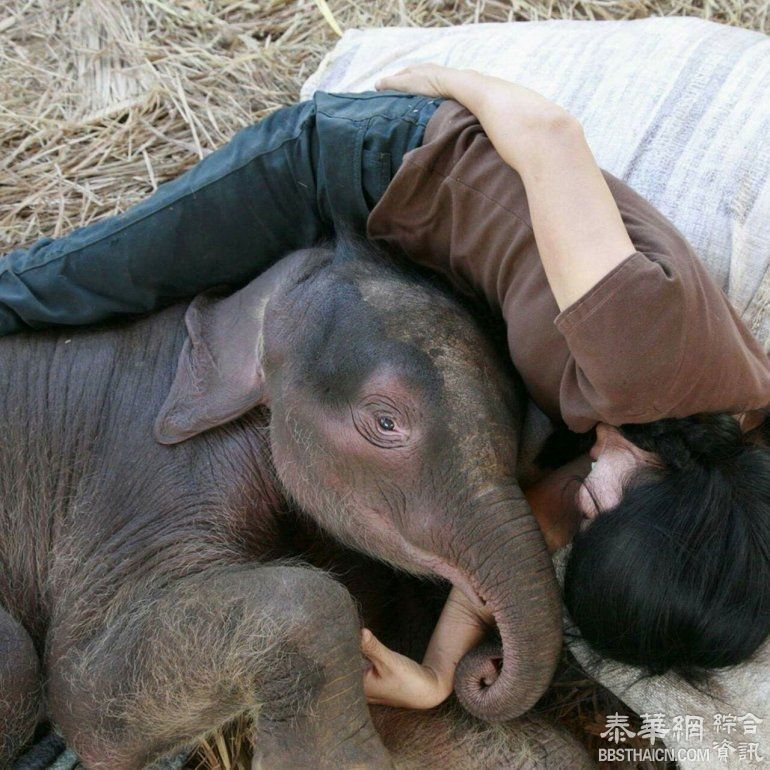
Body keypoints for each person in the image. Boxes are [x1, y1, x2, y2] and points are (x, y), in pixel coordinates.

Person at [2, 64, 768, 689]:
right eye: (598, 513)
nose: (581, 511)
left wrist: (436, 679)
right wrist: (428, 83)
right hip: (376, 166)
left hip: (429, 258)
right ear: (673, 485)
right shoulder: (639, 354)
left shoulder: (718, 437)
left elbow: (513, 535)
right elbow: (546, 134)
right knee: (88, 280)